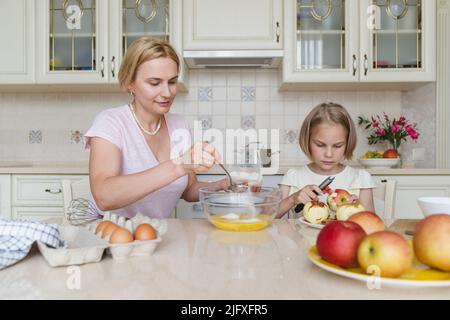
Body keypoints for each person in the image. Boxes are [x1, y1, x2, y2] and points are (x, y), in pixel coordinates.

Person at [84, 37, 227, 218]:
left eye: (172, 82)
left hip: (155, 235)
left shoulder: (179, 125)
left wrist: (221, 186)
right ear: (130, 83)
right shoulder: (110, 122)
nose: (167, 93)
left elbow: (188, 189)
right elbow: (104, 197)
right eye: (154, 83)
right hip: (106, 233)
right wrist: (179, 165)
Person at [276, 102, 376, 218]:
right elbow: (269, 218)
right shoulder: (293, 177)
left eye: (337, 146)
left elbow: (371, 226)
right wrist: (292, 199)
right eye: (320, 145)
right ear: (307, 140)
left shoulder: (361, 178)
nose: (329, 154)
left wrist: (357, 210)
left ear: (348, 143)